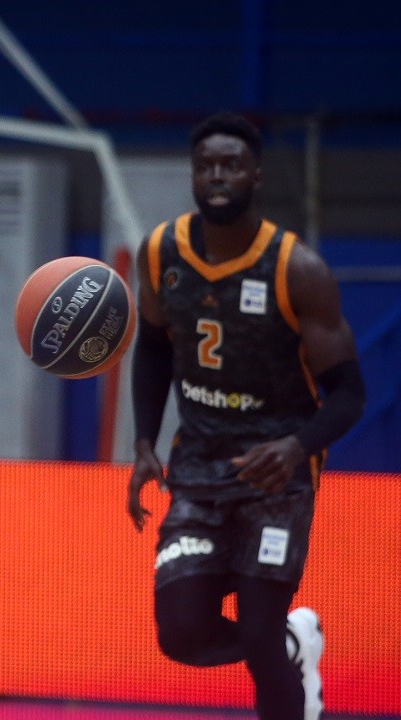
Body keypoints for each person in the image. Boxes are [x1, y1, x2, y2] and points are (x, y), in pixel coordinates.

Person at [127, 112, 365, 720]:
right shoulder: (160, 252)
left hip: (274, 476)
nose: (217, 175)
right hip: (196, 468)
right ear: (192, 176)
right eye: (205, 166)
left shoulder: (296, 269)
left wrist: (295, 447)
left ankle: (277, 647)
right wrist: (144, 440)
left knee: (258, 634)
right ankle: (294, 644)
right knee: (181, 635)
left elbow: (348, 395)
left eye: (230, 165)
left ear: (255, 175)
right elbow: (152, 348)